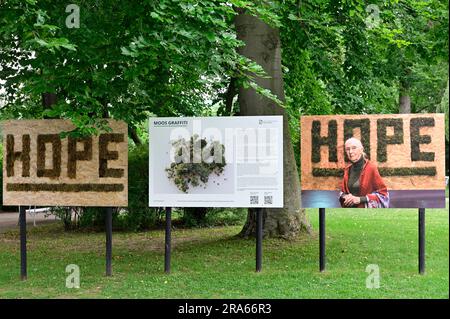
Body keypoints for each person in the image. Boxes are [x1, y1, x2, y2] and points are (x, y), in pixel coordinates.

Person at [339, 137, 389, 208]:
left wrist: (360, 199)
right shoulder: (347, 169)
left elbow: (383, 194)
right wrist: (346, 197)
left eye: (354, 148)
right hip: (349, 213)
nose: (350, 152)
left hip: (366, 215)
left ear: (361, 149)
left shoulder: (371, 168)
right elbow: (342, 193)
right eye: (347, 149)